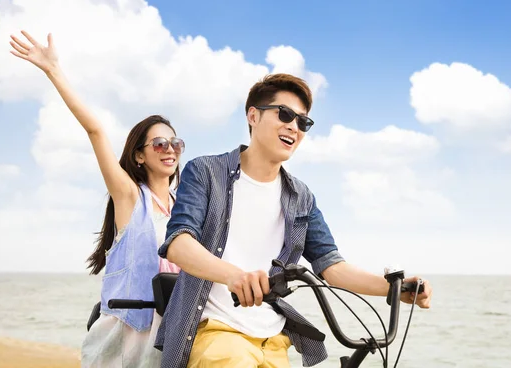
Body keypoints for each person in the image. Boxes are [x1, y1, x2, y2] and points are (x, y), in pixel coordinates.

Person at [154, 73, 433, 368]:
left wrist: (396, 289)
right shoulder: (206, 172)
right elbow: (179, 243)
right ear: (253, 116)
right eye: (284, 114)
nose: (293, 126)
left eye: (303, 122)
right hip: (215, 332)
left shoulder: (301, 196)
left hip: (273, 337)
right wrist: (235, 276)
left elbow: (332, 266)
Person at [9, 30, 185, 368]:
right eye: (159, 144)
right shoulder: (130, 197)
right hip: (127, 338)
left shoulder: (183, 207)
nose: (170, 151)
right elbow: (96, 131)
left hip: (174, 333)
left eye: (175, 144)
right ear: (138, 156)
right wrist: (53, 71)